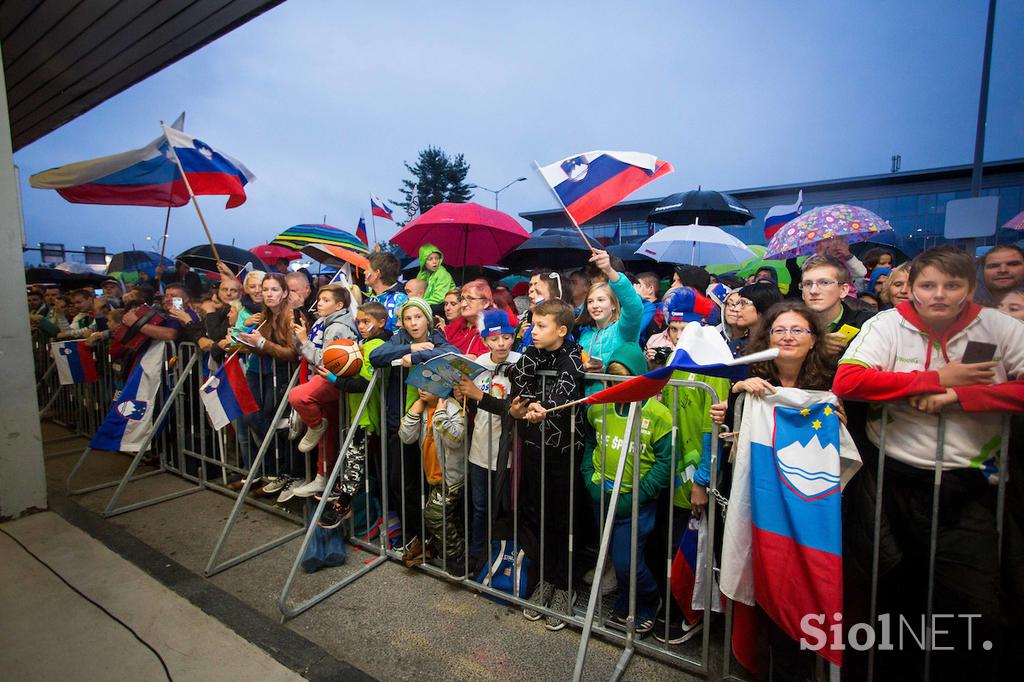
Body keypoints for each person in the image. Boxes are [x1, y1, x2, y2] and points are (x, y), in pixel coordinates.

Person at [833, 246, 1024, 680]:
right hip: (893, 478)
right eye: (928, 285)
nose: (939, 294)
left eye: (951, 285)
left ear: (970, 289)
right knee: (888, 591)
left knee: (970, 601)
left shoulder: (998, 328)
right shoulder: (888, 323)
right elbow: (849, 379)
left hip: (969, 484)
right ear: (913, 289)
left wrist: (961, 395)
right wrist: (936, 377)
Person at [580, 343, 672, 635]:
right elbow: (591, 444)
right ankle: (625, 599)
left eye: (626, 380)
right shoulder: (600, 406)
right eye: (613, 380)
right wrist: (588, 478)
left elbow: (665, 462)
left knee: (627, 559)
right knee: (613, 553)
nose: (619, 386)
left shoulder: (659, 414)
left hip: (635, 500)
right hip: (601, 493)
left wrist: (639, 495)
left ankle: (648, 600)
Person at [509, 299, 586, 631]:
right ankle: (544, 581)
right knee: (538, 517)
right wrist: (521, 404)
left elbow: (566, 389)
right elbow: (519, 383)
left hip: (564, 453)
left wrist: (545, 406)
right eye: (533, 325)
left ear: (562, 330)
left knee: (564, 520)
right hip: (533, 448)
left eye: (541, 326)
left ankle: (565, 585)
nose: (534, 331)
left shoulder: (573, 355)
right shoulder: (532, 353)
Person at [369, 297, 459, 555]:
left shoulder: (437, 336)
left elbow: (451, 354)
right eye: (408, 318)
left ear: (427, 318)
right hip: (398, 419)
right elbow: (377, 355)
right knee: (400, 480)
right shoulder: (398, 338)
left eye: (417, 317)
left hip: (429, 421)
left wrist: (417, 356)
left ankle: (429, 538)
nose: (413, 322)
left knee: (425, 480)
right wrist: (408, 348)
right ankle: (414, 533)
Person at [451, 308, 521, 570]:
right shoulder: (478, 364)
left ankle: (504, 557)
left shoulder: (521, 362)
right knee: (480, 507)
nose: (501, 343)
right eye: (494, 339)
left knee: (507, 509)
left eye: (506, 337)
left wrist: (479, 397)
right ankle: (476, 555)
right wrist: (463, 398)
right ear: (484, 340)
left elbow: (515, 409)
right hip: (480, 446)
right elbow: (472, 405)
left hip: (510, 450)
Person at [317, 301, 392, 528]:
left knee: (354, 460)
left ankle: (344, 503)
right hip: (359, 413)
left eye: (366, 321)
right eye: (359, 321)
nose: (360, 325)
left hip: (367, 415)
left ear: (381, 323)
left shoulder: (376, 346)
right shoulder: (367, 342)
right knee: (352, 457)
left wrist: (334, 379)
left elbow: (364, 383)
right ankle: (343, 493)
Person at [287, 283, 358, 498]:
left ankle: (315, 424)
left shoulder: (338, 327)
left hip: (332, 381)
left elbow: (325, 361)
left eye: (326, 300)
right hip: (319, 378)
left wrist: (304, 341)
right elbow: (306, 351)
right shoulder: (322, 322)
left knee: (297, 396)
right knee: (328, 436)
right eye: (319, 299)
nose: (320, 303)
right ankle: (322, 478)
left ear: (339, 305)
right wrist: (298, 337)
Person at [238, 273, 301, 500]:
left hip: (281, 373)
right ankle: (273, 468)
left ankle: (282, 468)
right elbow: (262, 347)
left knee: (270, 418)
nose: (268, 294)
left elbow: (292, 352)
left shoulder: (290, 315)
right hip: (260, 371)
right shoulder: (263, 315)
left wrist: (262, 343)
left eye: (274, 289)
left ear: (284, 292)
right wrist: (246, 341)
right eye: (265, 290)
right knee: (250, 416)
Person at [400, 386, 466, 570]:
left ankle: (456, 558)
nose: (422, 389)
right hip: (433, 476)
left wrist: (440, 415)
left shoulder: (452, 408)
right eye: (420, 384)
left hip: (452, 478)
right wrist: (415, 410)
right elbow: (406, 437)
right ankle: (457, 550)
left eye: (429, 386)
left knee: (434, 515)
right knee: (449, 517)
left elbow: (455, 440)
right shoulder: (422, 407)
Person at [576, 250, 643, 390]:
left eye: (601, 300)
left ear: (613, 304)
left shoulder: (623, 330)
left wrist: (608, 270)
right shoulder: (585, 335)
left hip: (616, 405)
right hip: (589, 407)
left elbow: (634, 307)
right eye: (590, 301)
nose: (595, 306)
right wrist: (582, 369)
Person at [798, 254, 874, 356]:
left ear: (843, 290)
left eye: (824, 282)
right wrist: (814, 347)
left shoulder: (868, 324)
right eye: (807, 284)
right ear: (803, 293)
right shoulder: (788, 326)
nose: (813, 290)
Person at [716, 283, 781, 358]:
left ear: (762, 305)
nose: (736, 309)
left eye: (743, 303)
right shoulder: (736, 345)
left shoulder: (781, 345)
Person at [445, 279, 492, 357]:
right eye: (462, 299)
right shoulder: (455, 327)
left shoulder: (493, 329)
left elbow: (497, 354)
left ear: (485, 303)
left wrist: (477, 357)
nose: (463, 304)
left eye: (470, 299)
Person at [365, 251, 408, 330]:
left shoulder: (400, 299)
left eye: (367, 269)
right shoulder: (369, 300)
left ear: (377, 273)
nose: (364, 272)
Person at [633, 271, 661, 344]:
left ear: (650, 289)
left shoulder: (658, 308)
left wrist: (637, 297)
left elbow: (635, 331)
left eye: (639, 285)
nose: (635, 288)